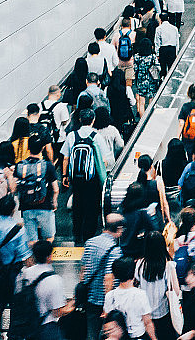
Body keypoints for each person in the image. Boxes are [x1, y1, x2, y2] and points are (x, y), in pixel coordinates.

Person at [62, 108, 105, 245]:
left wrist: (65, 176)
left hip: (76, 178)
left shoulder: (72, 136)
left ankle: (77, 235)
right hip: (91, 179)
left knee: (77, 205)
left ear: (80, 120)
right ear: (93, 120)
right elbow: (104, 160)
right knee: (91, 207)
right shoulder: (96, 136)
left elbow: (66, 158)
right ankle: (88, 236)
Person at [16, 240, 73, 340]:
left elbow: (17, 295)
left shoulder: (23, 274)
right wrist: (72, 305)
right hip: (46, 328)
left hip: (26, 325)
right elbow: (57, 312)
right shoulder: (54, 280)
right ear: (49, 257)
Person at [81, 214, 125, 340]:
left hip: (89, 297)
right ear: (119, 229)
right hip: (103, 301)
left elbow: (83, 269)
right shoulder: (115, 250)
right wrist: (107, 305)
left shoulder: (90, 242)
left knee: (92, 332)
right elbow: (108, 278)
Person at [14, 134, 58, 245]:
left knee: (31, 240)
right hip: (45, 206)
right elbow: (56, 189)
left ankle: (34, 260)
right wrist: (54, 202)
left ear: (28, 148)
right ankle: (45, 260)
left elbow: (15, 188)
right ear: (42, 148)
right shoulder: (48, 166)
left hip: (26, 207)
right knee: (49, 237)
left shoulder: (20, 166)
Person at [135, 231, 179, 340]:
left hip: (145, 314)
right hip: (163, 312)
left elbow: (136, 283)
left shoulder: (140, 264)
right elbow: (176, 290)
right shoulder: (167, 264)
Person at [103, 257, 157, 340]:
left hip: (119, 337)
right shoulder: (140, 294)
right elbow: (147, 323)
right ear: (133, 272)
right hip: (137, 336)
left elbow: (108, 317)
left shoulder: (110, 296)